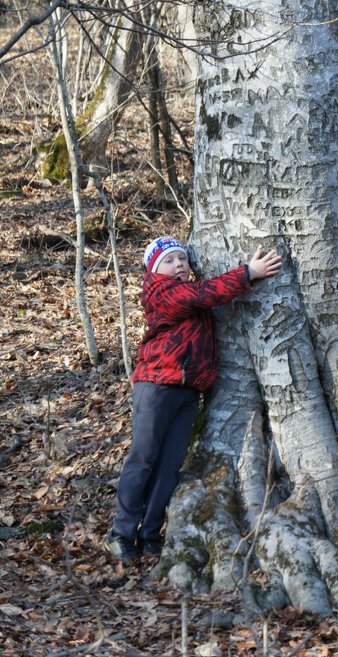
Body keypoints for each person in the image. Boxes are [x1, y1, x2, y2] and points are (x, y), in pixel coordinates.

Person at [104, 236, 282, 562]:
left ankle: (150, 533)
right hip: (156, 385)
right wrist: (248, 273)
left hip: (187, 392)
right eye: (170, 260)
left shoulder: (189, 292)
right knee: (143, 458)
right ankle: (121, 533)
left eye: (183, 259)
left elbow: (209, 294)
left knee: (170, 466)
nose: (179, 264)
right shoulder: (162, 293)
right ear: (155, 268)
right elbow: (204, 293)